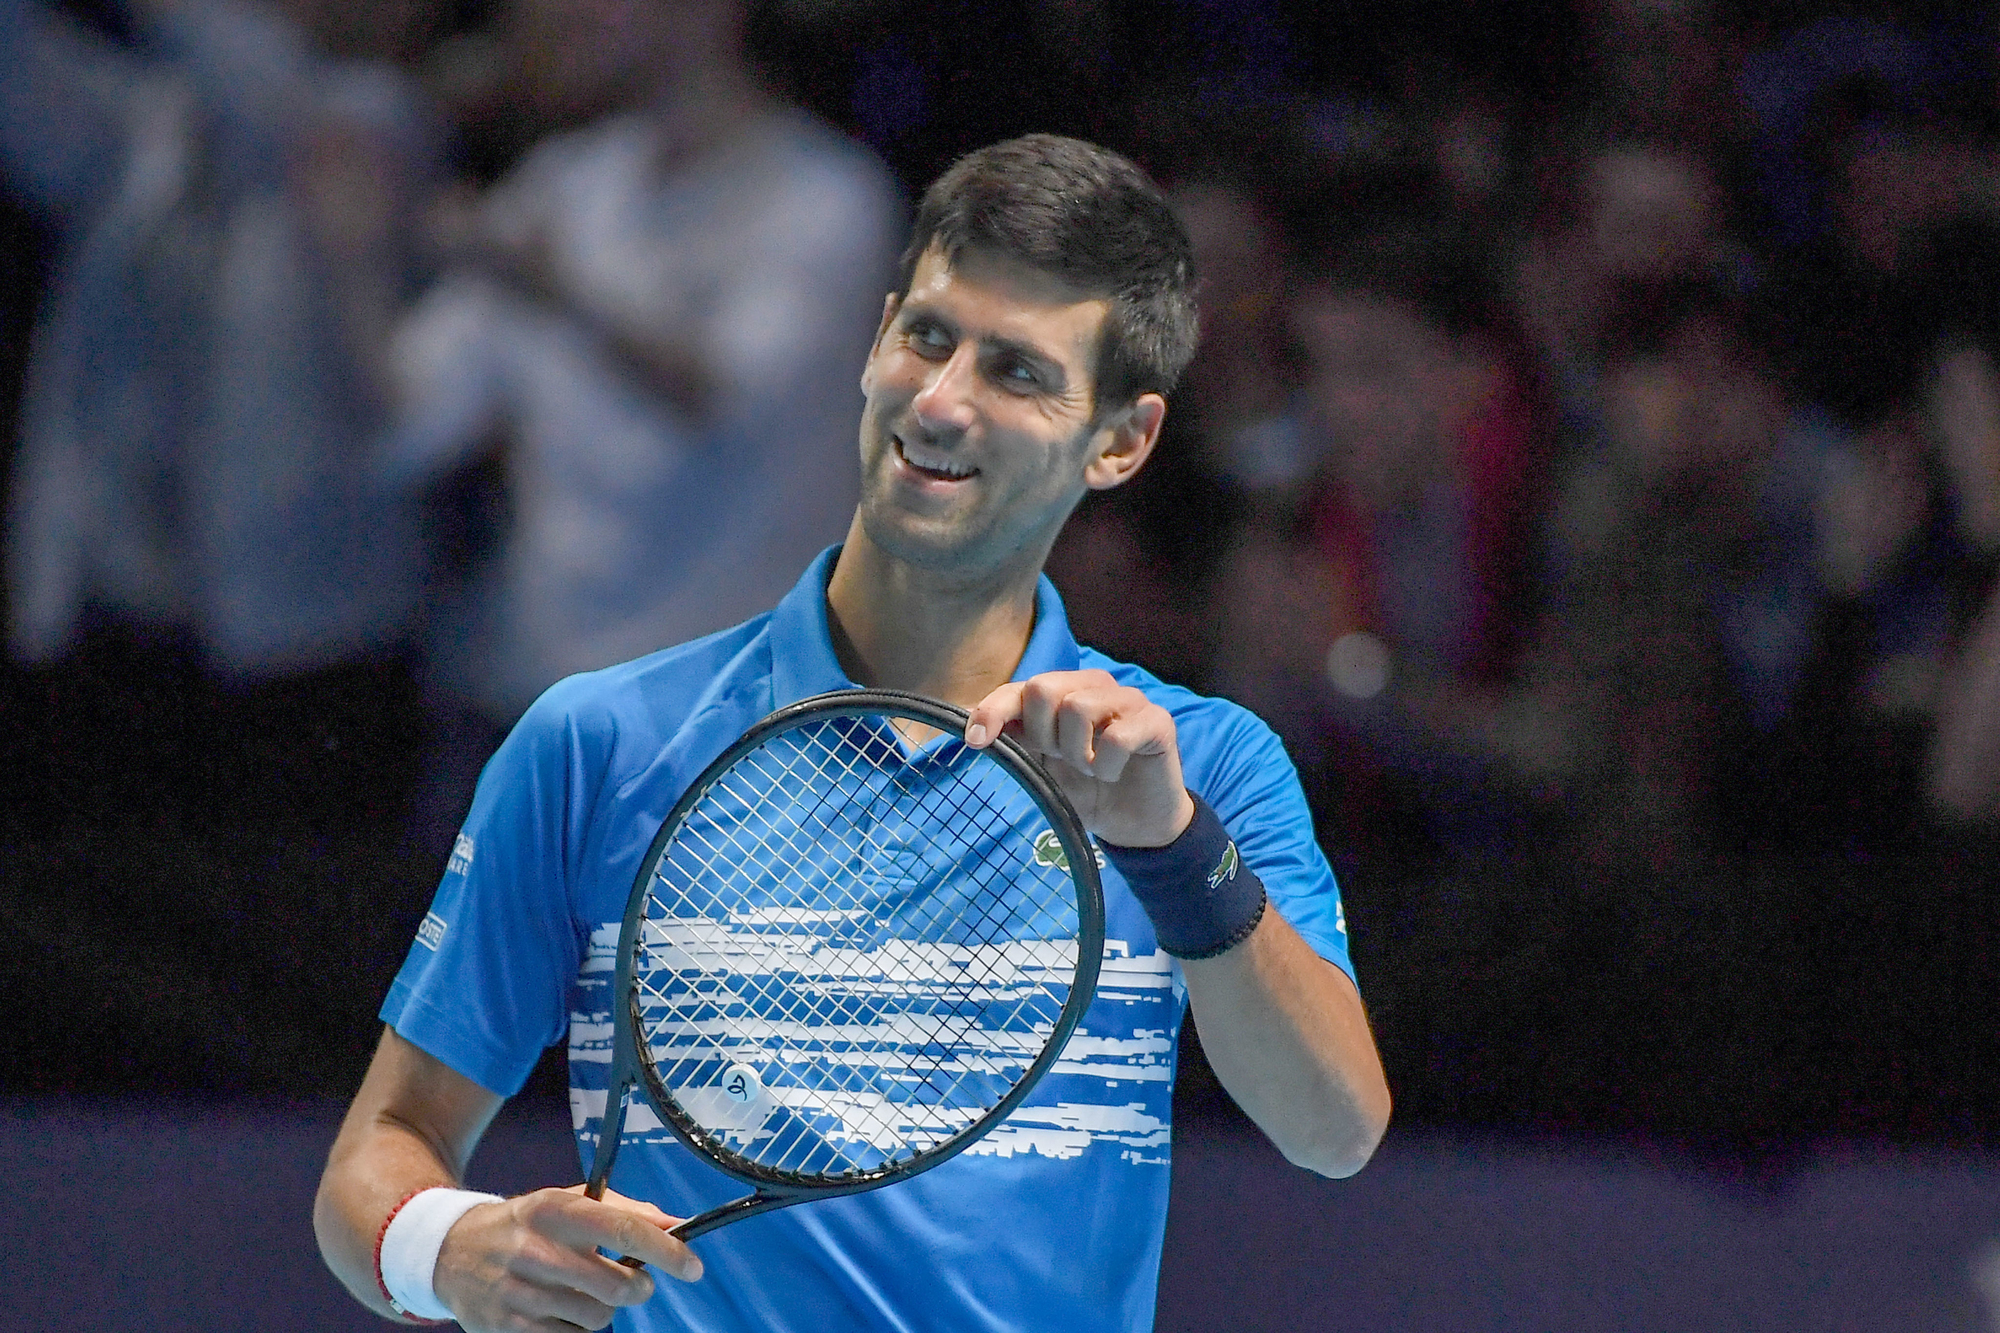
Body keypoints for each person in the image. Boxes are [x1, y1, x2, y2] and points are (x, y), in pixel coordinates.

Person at [315, 134, 1391, 1333]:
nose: (940, 401)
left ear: (1120, 440)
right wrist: (450, 1249)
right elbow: (380, 1149)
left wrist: (1170, 847)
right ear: (877, 340)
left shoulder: (1201, 769)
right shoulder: (597, 744)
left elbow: (1335, 1128)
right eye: (927, 337)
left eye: (1016, 372)